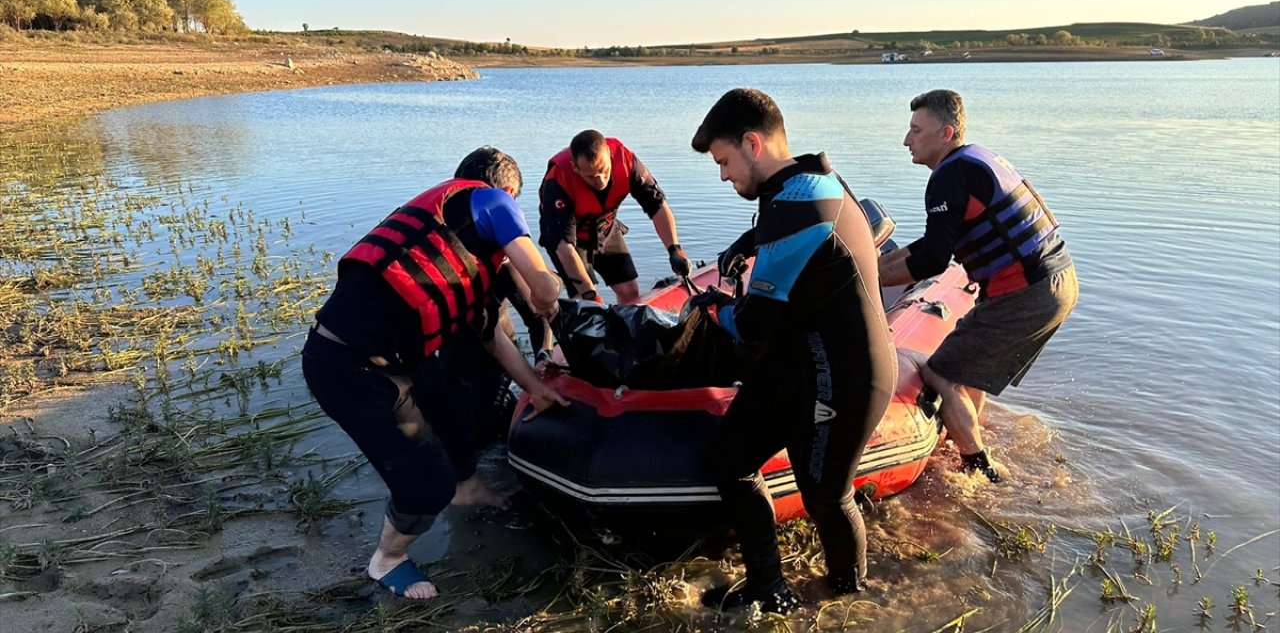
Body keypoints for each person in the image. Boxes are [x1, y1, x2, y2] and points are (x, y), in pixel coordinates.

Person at [300, 147, 567, 600]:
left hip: (396, 362)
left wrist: (537, 389)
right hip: (346, 366)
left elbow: (494, 339)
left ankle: (469, 486)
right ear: (507, 193)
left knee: (452, 401)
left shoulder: (456, 242)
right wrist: (551, 293)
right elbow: (542, 287)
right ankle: (387, 561)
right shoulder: (493, 200)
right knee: (425, 485)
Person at [687, 88, 897, 612]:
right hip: (798, 359)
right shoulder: (808, 179)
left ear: (753, 143)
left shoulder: (802, 200)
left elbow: (753, 323)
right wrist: (748, 244)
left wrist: (710, 307)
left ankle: (850, 601)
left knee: (825, 495)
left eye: (725, 161)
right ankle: (769, 589)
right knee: (731, 459)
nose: (723, 175)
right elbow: (786, 231)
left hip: (848, 375)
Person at [878, 89, 1078, 483]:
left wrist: (871, 278)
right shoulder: (975, 159)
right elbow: (934, 244)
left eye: (916, 131)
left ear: (946, 133)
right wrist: (875, 265)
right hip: (1058, 281)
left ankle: (978, 471)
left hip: (1027, 293)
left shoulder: (949, 175)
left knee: (940, 371)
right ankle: (969, 438)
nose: (906, 140)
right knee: (966, 368)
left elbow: (934, 261)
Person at [538, 129, 690, 305]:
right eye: (591, 176)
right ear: (575, 168)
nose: (600, 180)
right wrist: (588, 294)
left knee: (630, 291)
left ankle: (626, 330)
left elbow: (657, 206)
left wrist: (674, 249)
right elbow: (564, 248)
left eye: (604, 170)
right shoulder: (558, 181)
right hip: (567, 241)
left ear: (609, 155)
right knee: (589, 304)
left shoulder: (626, 161)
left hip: (605, 227)